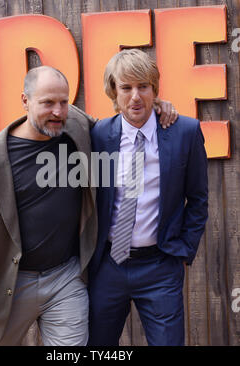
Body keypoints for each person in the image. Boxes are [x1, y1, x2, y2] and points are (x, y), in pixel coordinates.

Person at [0, 65, 177, 346]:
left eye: (63, 102)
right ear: (25, 101)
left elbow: (119, 126)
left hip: (65, 279)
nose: (57, 112)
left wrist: (157, 107)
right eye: (47, 103)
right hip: (10, 284)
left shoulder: (76, 126)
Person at [88, 49, 208, 346]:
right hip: (109, 265)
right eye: (126, 88)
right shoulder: (98, 135)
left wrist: (183, 251)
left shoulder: (185, 132)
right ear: (113, 92)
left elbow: (198, 199)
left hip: (160, 267)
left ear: (155, 88)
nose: (135, 97)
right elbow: (58, 113)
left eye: (143, 86)